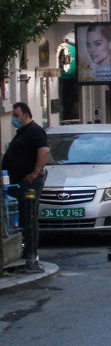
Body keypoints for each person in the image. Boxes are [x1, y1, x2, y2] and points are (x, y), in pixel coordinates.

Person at [1, 102, 49, 264]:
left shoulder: (35, 131)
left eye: (16, 115)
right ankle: (25, 249)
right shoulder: (22, 132)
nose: (14, 119)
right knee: (22, 216)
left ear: (26, 115)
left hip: (28, 183)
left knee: (29, 215)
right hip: (17, 183)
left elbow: (44, 151)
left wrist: (35, 172)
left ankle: (31, 253)